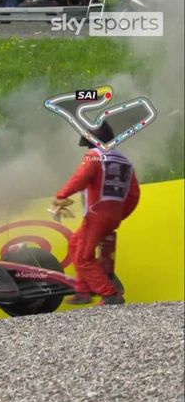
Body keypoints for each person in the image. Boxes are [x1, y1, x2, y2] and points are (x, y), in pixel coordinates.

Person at [53, 122, 140, 306]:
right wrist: (117, 214)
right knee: (76, 244)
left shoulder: (94, 157)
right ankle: (83, 291)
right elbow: (133, 194)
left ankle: (109, 294)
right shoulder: (124, 161)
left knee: (84, 257)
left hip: (96, 215)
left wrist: (62, 195)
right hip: (112, 216)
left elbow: (81, 178)